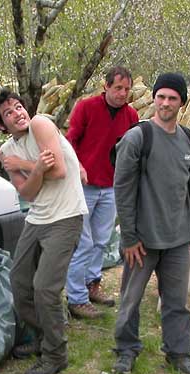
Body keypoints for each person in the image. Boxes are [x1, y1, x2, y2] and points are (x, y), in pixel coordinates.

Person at [0, 89, 88, 374]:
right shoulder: (5, 150)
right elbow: (28, 193)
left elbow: (58, 171)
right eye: (8, 113)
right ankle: (40, 338)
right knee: (20, 283)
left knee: (45, 288)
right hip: (37, 218)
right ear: (0, 126)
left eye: (19, 107)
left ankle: (55, 355)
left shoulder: (41, 125)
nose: (18, 113)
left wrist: (23, 166)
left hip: (66, 215)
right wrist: (35, 170)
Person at [112, 72, 190, 374]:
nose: (165, 103)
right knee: (131, 299)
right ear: (154, 98)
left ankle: (179, 354)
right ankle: (126, 350)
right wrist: (129, 237)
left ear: (182, 103)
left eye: (172, 98)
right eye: (161, 96)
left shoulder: (187, 138)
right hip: (142, 239)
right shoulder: (138, 137)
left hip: (178, 238)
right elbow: (123, 190)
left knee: (177, 302)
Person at [64, 66, 139, 319]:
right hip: (84, 186)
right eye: (118, 88)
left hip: (111, 187)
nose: (122, 93)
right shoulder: (86, 107)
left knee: (100, 241)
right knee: (83, 243)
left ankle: (91, 284)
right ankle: (75, 298)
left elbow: (132, 152)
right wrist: (80, 167)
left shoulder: (131, 116)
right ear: (106, 86)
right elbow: (70, 142)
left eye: (127, 89)